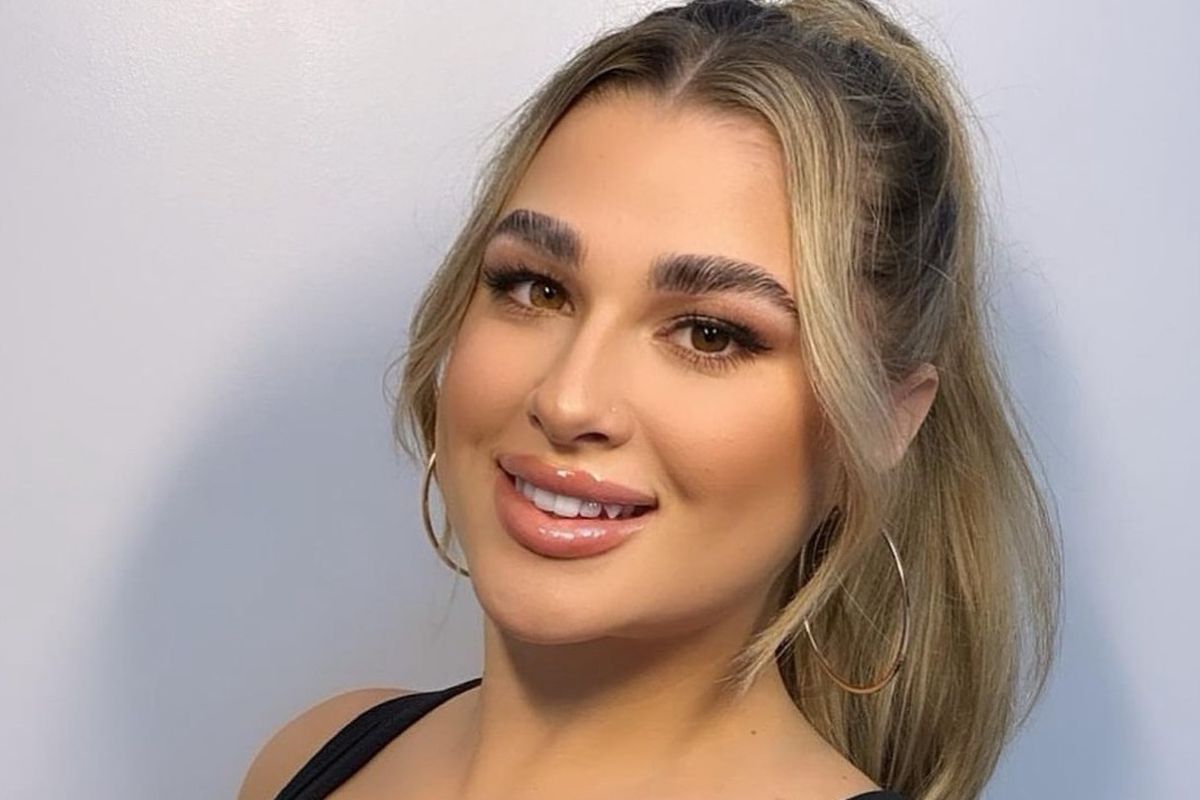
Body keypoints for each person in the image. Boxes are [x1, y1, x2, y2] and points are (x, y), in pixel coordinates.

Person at [239, 1, 1061, 798]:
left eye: (709, 334)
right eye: (536, 287)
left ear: (884, 422)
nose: (568, 399)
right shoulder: (310, 758)